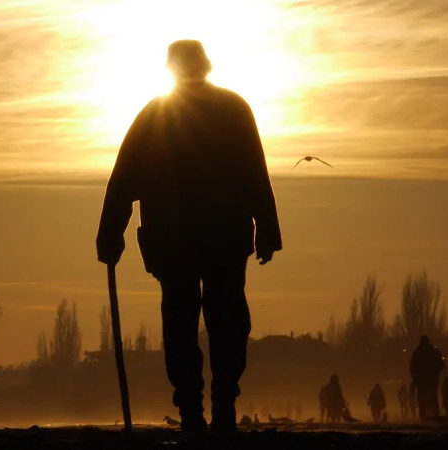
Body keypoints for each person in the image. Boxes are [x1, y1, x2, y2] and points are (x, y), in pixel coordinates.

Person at [96, 40, 282, 432]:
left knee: (182, 322)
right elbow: (256, 175)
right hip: (221, 238)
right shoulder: (233, 110)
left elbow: (123, 180)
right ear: (206, 66)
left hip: (175, 240)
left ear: (171, 70)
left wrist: (110, 235)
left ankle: (194, 410)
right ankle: (221, 405)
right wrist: (267, 229)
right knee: (226, 320)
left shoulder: (155, 115)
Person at [409, 335, 445, 421]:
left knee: (424, 400)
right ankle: (433, 417)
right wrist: (435, 372)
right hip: (430, 380)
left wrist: (415, 379)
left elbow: (413, 368)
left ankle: (424, 418)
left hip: (423, 380)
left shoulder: (417, 353)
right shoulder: (434, 352)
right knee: (432, 399)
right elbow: (442, 365)